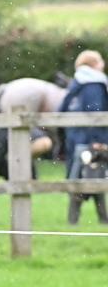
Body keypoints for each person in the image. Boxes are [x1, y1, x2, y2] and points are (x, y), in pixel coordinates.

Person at [58, 49, 108, 224]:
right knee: (94, 176)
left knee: (80, 177)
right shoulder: (94, 83)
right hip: (91, 139)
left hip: (75, 138)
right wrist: (97, 140)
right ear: (93, 64)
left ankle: (74, 222)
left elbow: (61, 109)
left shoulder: (76, 82)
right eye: (100, 61)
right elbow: (95, 113)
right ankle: (99, 221)